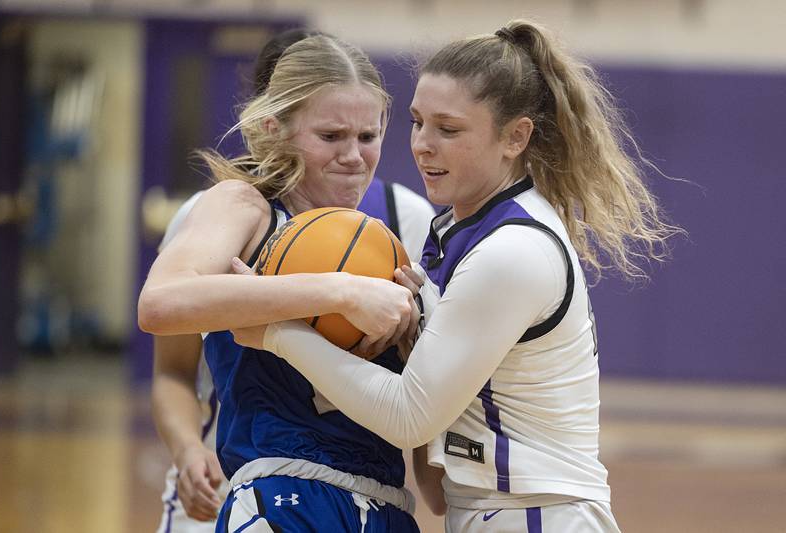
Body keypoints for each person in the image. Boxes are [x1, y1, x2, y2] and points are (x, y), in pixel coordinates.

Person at [235, 19, 679, 532]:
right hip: (495, 510)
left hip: (537, 514)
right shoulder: (454, 231)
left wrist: (276, 329)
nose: (422, 144)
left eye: (448, 129)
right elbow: (434, 485)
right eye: (417, 121)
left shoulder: (513, 250)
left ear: (516, 137)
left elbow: (409, 417)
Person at [151, 29, 435, 533]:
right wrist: (340, 291)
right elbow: (160, 303)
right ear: (274, 129)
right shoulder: (243, 206)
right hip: (279, 492)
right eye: (331, 136)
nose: (353, 155)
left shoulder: (399, 227)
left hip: (384, 503)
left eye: (367, 137)